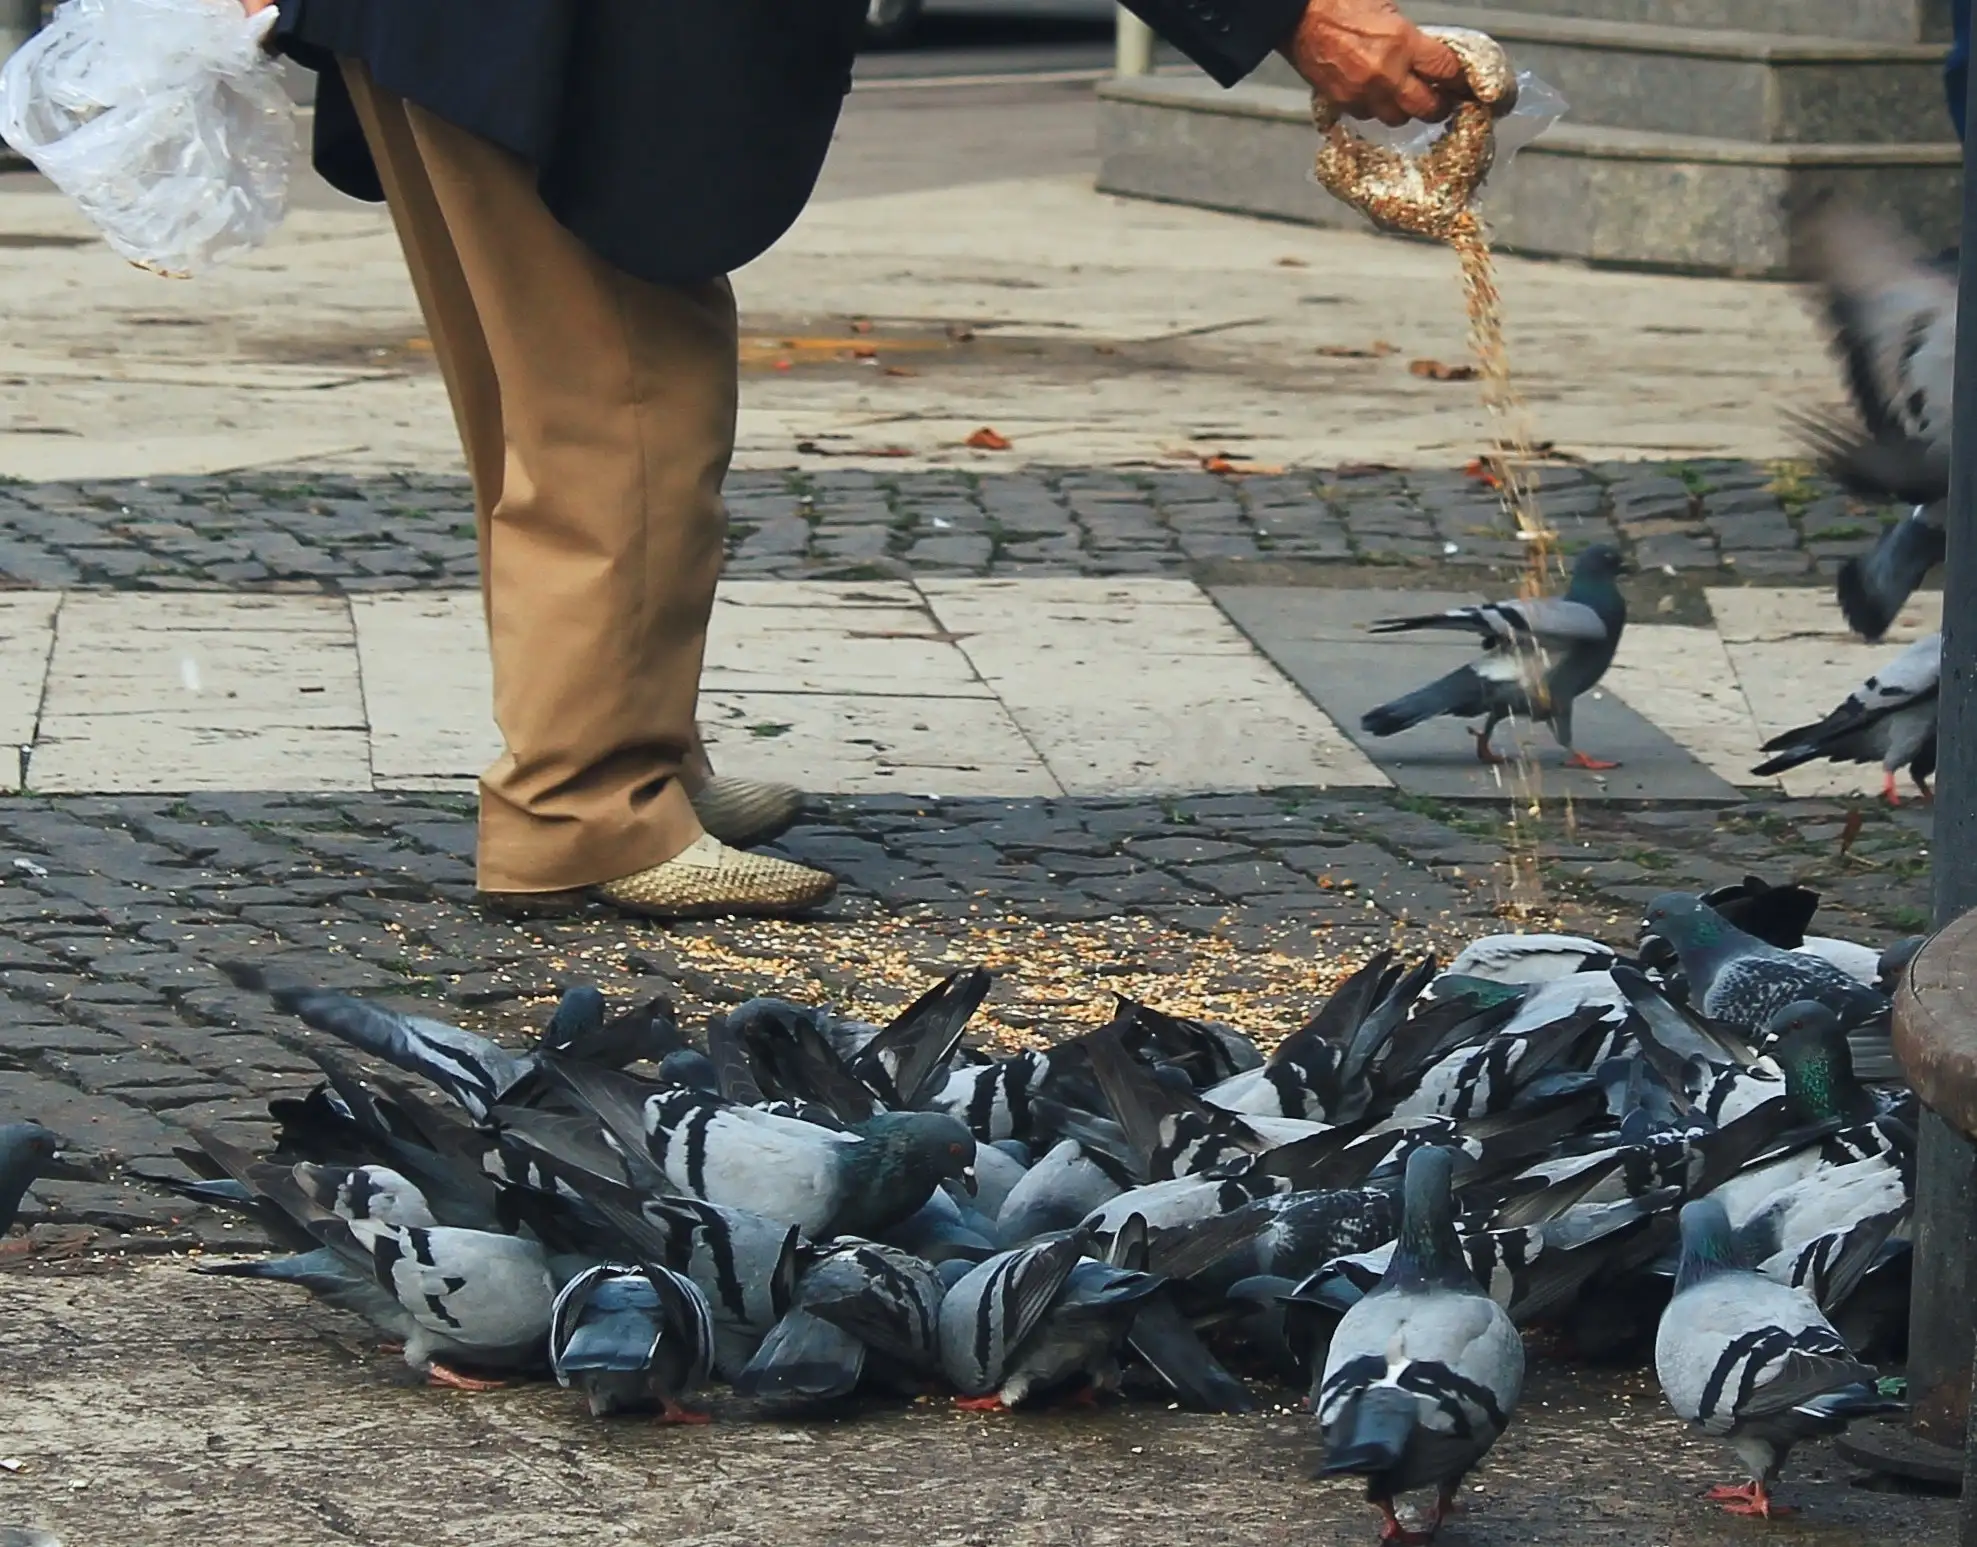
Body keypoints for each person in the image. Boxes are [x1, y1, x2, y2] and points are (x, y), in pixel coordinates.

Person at [254, 0, 1470, 920]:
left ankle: (639, 751)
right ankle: (582, 807)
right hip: (556, 32)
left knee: (537, 387)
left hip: (460, 23)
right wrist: (1292, 16)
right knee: (621, 395)